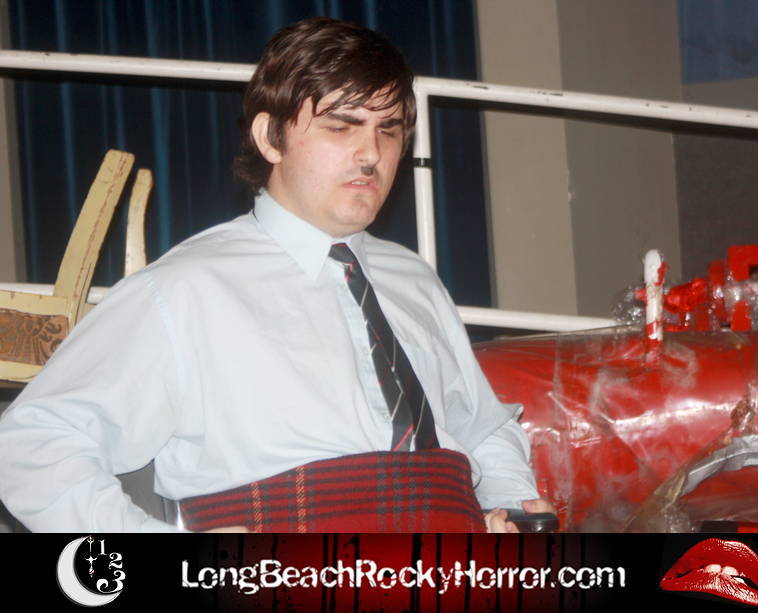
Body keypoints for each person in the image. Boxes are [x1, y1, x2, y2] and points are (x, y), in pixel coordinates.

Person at [0, 17, 553, 533]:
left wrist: (508, 502)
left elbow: (482, 426)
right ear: (270, 138)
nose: (371, 155)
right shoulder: (184, 288)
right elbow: (31, 446)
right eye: (341, 127)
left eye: (389, 130)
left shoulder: (414, 279)